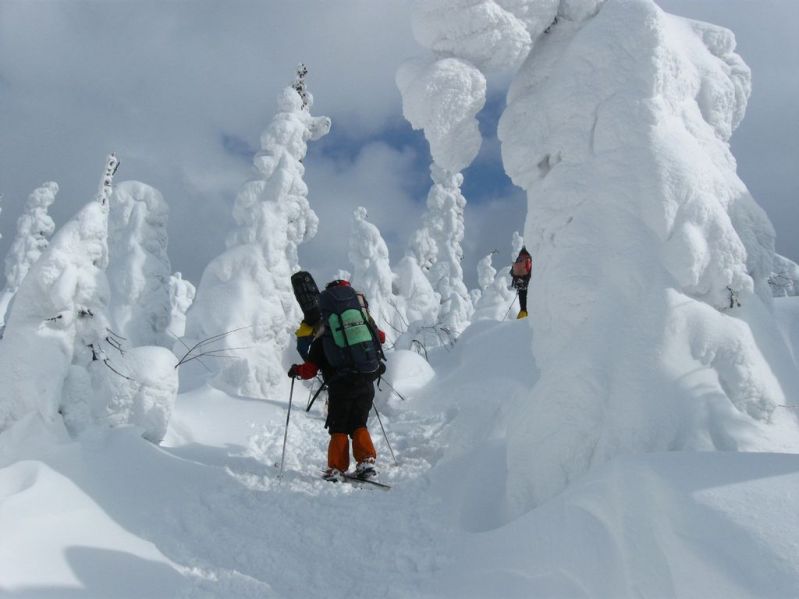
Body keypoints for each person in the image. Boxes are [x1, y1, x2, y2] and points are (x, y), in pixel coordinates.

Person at [288, 279, 386, 482]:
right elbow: (381, 338)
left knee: (339, 426)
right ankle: (366, 462)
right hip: (365, 381)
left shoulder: (325, 336)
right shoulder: (363, 323)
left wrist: (296, 370)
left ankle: (336, 469)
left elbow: (309, 370)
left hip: (340, 387)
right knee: (359, 423)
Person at [510, 246, 533, 319]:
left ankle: (523, 313)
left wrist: (517, 280)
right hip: (527, 281)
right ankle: (525, 314)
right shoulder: (530, 257)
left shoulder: (519, 258)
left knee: (522, 297)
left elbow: (512, 272)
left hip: (520, 283)